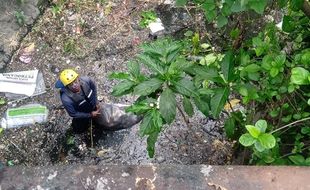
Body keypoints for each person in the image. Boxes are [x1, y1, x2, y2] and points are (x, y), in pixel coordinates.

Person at [55, 69, 140, 134]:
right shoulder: (66, 99)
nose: (74, 85)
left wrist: (96, 101)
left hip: (93, 106)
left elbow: (94, 89)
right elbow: (73, 113)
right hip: (81, 114)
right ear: (66, 86)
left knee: (108, 121)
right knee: (78, 131)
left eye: (75, 81)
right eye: (70, 84)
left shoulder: (87, 81)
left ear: (78, 78)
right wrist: (90, 115)